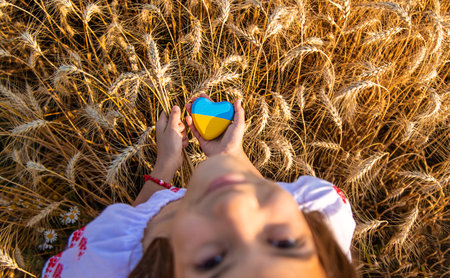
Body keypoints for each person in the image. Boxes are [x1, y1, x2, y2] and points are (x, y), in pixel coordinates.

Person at [41, 96, 358, 278]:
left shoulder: (104, 263)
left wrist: (164, 167)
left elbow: (134, 217)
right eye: (285, 243)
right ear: (313, 232)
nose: (234, 206)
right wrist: (230, 156)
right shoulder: (323, 212)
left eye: (213, 263)